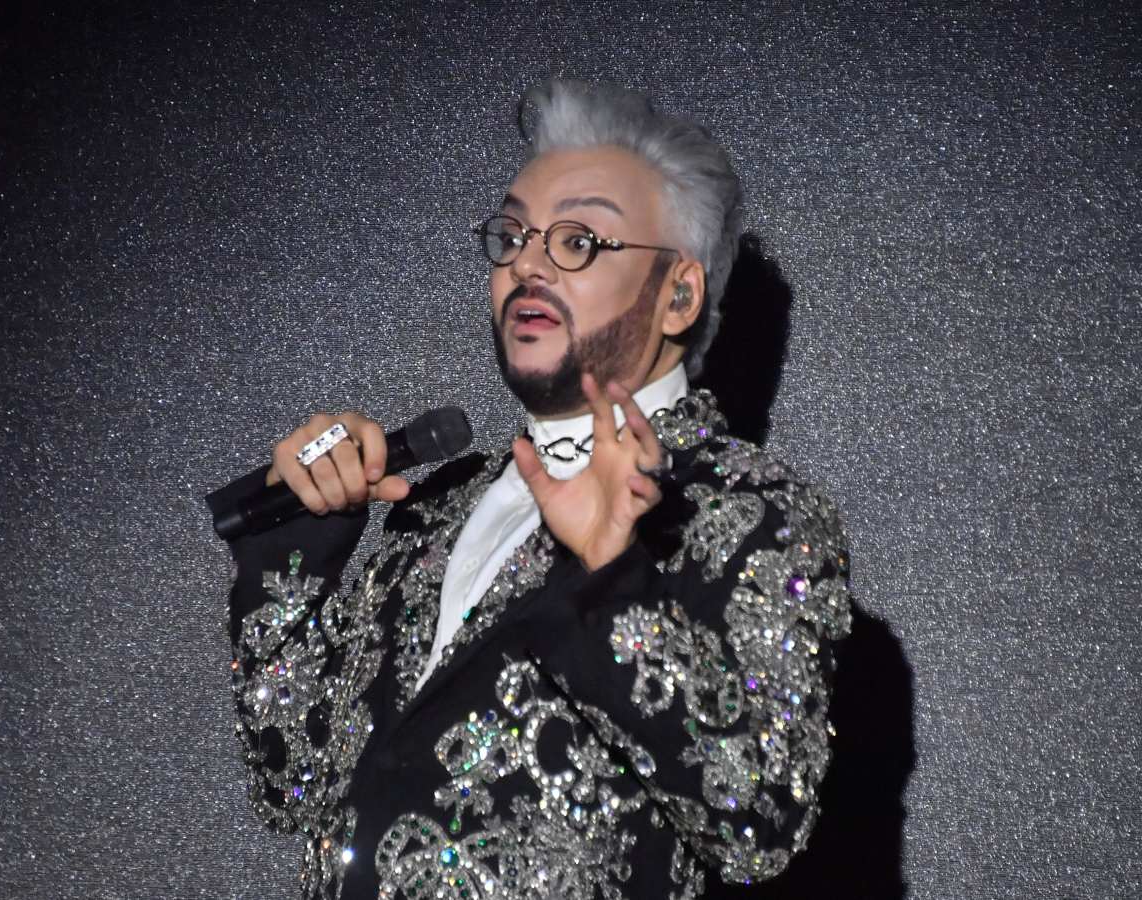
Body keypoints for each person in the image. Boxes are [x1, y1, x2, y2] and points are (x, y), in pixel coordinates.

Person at [207, 79, 852, 899]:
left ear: (679, 295)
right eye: (512, 235)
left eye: (578, 240)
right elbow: (294, 785)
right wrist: (296, 544)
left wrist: (611, 581)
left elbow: (759, 818)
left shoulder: (741, 511)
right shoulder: (438, 507)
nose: (527, 263)